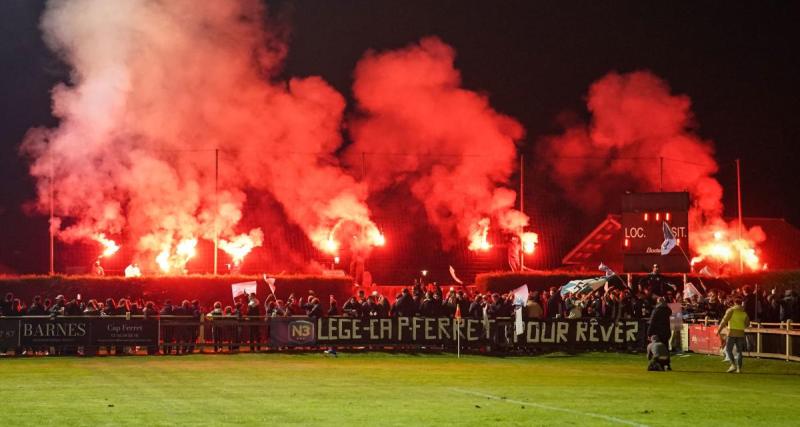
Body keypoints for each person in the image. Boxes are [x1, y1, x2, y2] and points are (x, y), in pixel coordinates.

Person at [717, 296, 750, 373]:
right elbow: (747, 324)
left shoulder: (731, 310)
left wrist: (719, 330)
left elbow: (724, 321)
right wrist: (741, 326)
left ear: (734, 303)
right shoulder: (744, 312)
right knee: (739, 352)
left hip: (731, 333)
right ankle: (739, 369)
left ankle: (733, 365)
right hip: (741, 333)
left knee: (728, 349)